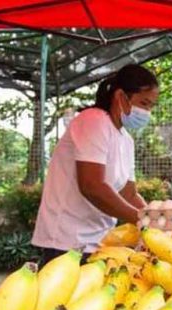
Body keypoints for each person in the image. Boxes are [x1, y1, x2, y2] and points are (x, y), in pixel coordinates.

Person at [32, 64, 158, 263]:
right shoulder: (93, 121)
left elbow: (129, 193)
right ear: (121, 97)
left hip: (100, 243)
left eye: (151, 106)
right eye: (143, 103)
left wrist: (155, 219)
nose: (147, 111)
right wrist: (141, 220)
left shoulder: (126, 139)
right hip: (67, 243)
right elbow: (91, 186)